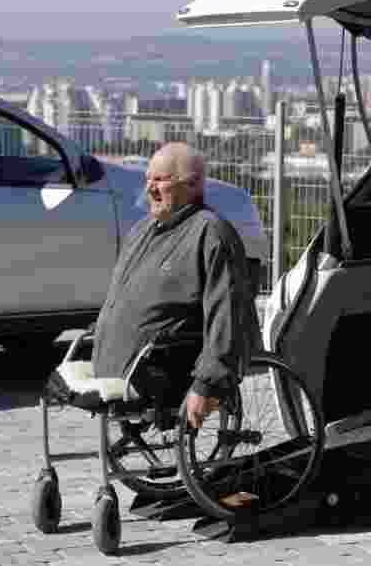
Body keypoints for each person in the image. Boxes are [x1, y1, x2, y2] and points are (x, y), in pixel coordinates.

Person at [91, 143, 260, 429]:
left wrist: (207, 384)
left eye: (160, 180)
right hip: (114, 368)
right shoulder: (143, 230)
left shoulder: (210, 233)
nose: (149, 189)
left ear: (192, 184)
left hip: (156, 371)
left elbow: (226, 315)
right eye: (147, 180)